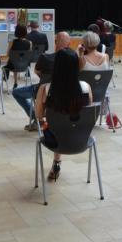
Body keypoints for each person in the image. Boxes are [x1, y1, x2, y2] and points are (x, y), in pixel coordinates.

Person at [35, 48, 94, 181]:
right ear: (75, 66)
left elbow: (39, 115)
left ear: (56, 66)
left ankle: (56, 163)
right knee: (65, 124)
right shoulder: (86, 87)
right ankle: (57, 162)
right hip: (81, 139)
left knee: (56, 126)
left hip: (55, 140)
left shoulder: (45, 89)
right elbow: (88, 114)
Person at [13, 31, 71, 130]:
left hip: (43, 91)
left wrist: (47, 78)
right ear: (69, 44)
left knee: (16, 92)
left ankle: (36, 119)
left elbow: (37, 72)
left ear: (55, 42)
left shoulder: (45, 57)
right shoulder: (72, 58)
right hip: (64, 91)